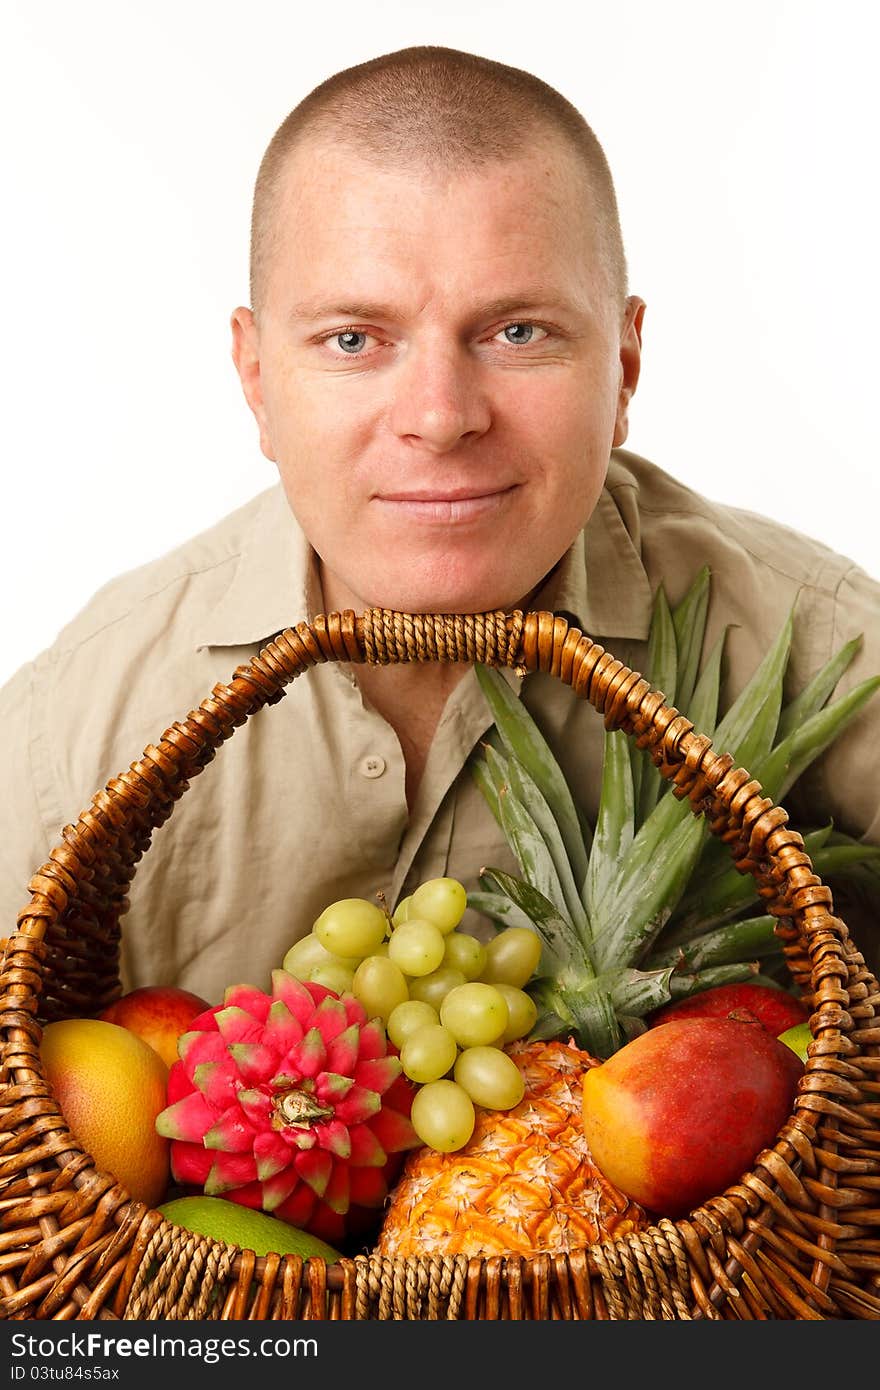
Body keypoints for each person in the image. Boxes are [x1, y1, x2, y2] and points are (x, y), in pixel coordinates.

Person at [1, 45, 878, 1003]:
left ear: (624, 368)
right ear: (256, 381)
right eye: (353, 340)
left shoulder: (832, 656)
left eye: (517, 333)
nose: (440, 415)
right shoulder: (72, 731)